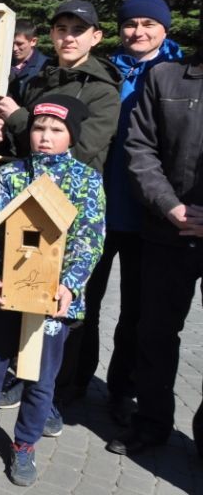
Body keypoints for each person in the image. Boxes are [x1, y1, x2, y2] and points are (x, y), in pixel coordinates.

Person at [0, 95, 105, 487]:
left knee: (40, 375)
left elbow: (90, 239)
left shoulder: (86, 180)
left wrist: (69, 285)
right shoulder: (11, 174)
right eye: (38, 128)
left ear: (72, 136)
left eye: (55, 131)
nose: (45, 138)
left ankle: (25, 444)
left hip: (54, 299)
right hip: (7, 291)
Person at [64, 0, 181, 419]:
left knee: (137, 310)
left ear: (164, 30)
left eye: (149, 24)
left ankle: (121, 390)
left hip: (148, 213)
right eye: (131, 24)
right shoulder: (109, 71)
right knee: (83, 303)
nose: (138, 32)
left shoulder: (177, 75)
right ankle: (74, 379)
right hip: (97, 206)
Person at [106, 43, 203, 457]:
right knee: (156, 334)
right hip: (168, 230)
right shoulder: (166, 76)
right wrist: (171, 206)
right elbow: (140, 147)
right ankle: (151, 422)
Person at [0, 0, 121, 172]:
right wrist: (0, 135)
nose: (68, 38)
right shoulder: (37, 82)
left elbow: (77, 153)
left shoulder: (103, 92)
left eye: (79, 30)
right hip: (27, 186)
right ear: (52, 34)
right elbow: (21, 148)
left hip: (73, 193)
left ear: (96, 37)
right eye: (62, 29)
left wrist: (16, 116)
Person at [9, 19, 48, 96]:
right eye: (11, 43)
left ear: (33, 41)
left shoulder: (46, 66)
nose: (14, 48)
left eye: (19, 44)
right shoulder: (2, 61)